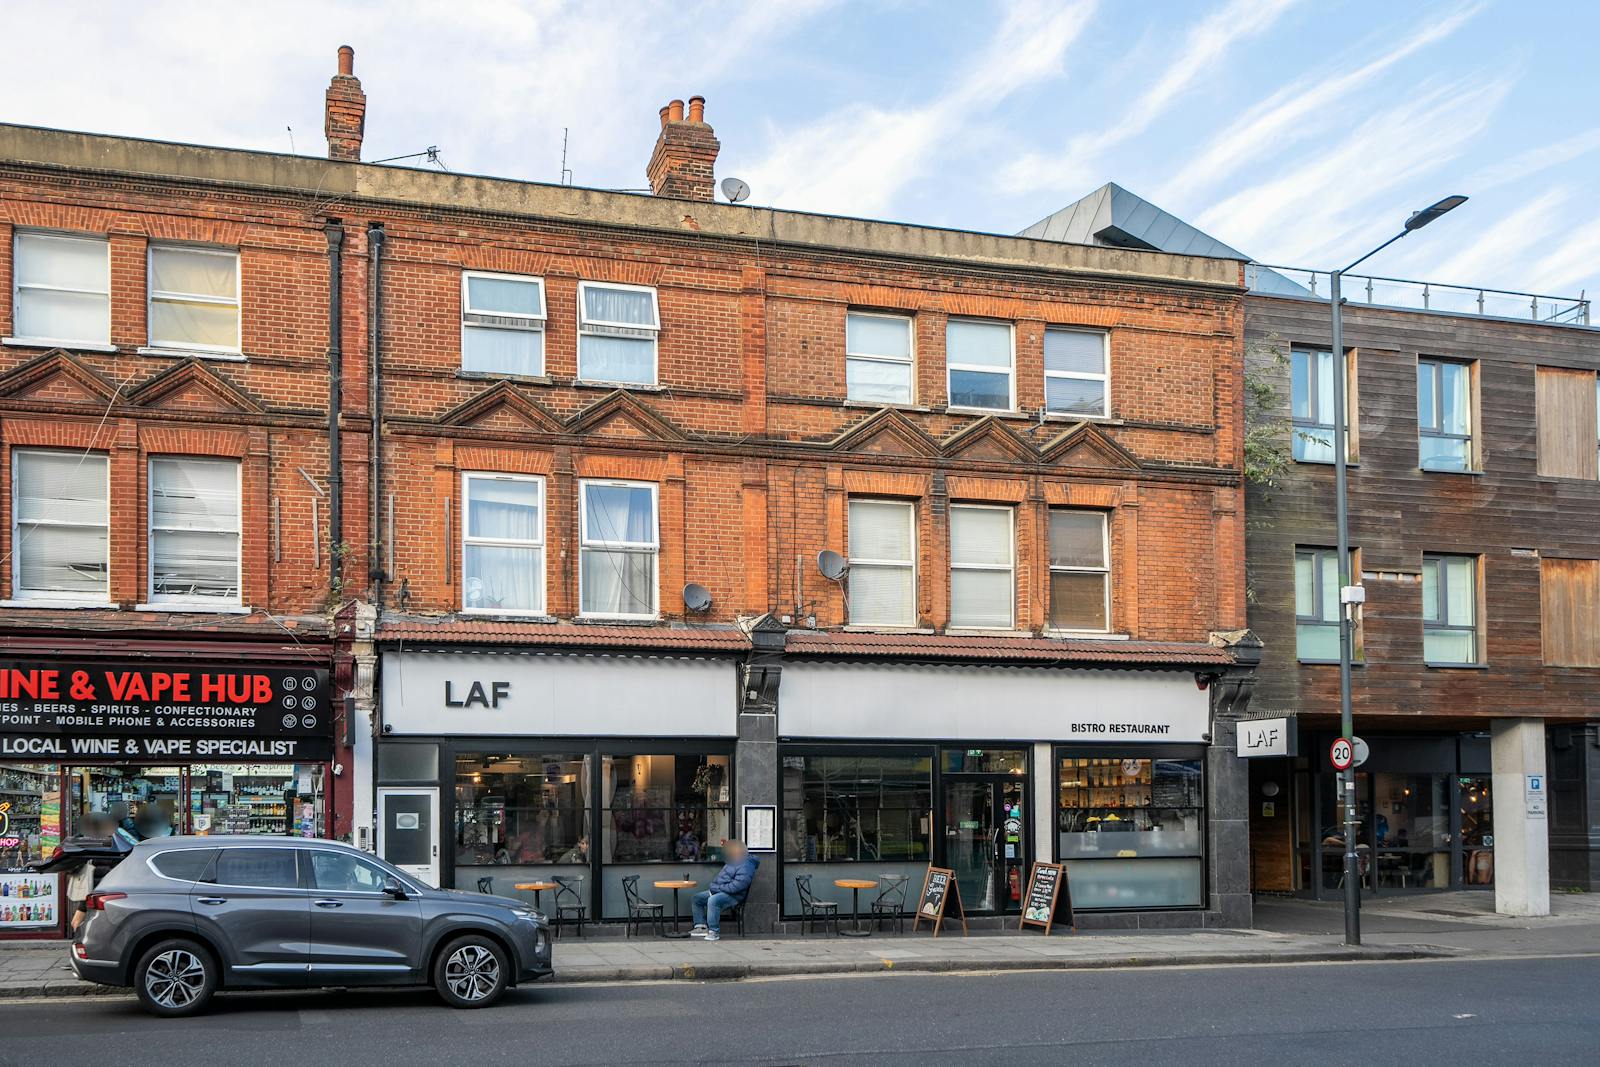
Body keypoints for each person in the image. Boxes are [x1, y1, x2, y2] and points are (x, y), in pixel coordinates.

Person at [690, 839, 757, 943]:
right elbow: (721, 879)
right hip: (721, 891)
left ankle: (714, 931)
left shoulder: (746, 865)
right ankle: (701, 927)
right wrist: (716, 888)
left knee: (713, 900)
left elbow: (738, 886)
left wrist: (719, 888)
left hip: (734, 896)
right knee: (697, 898)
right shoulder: (733, 861)